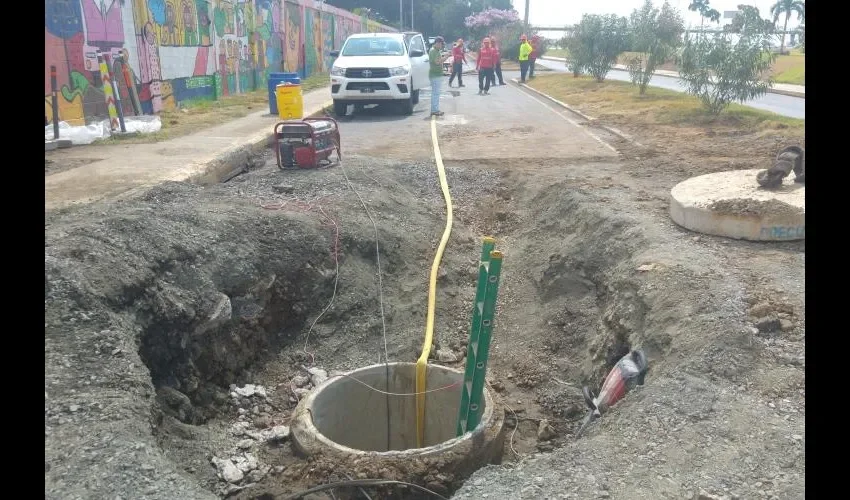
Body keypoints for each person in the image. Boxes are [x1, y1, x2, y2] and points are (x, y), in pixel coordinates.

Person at [428, 36, 448, 116]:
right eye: (441, 44)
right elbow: (437, 62)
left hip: (436, 74)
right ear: (438, 43)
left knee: (436, 93)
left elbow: (438, 60)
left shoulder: (436, 51)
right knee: (435, 93)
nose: (441, 46)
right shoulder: (433, 51)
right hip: (435, 75)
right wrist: (446, 57)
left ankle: (435, 109)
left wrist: (444, 56)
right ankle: (434, 110)